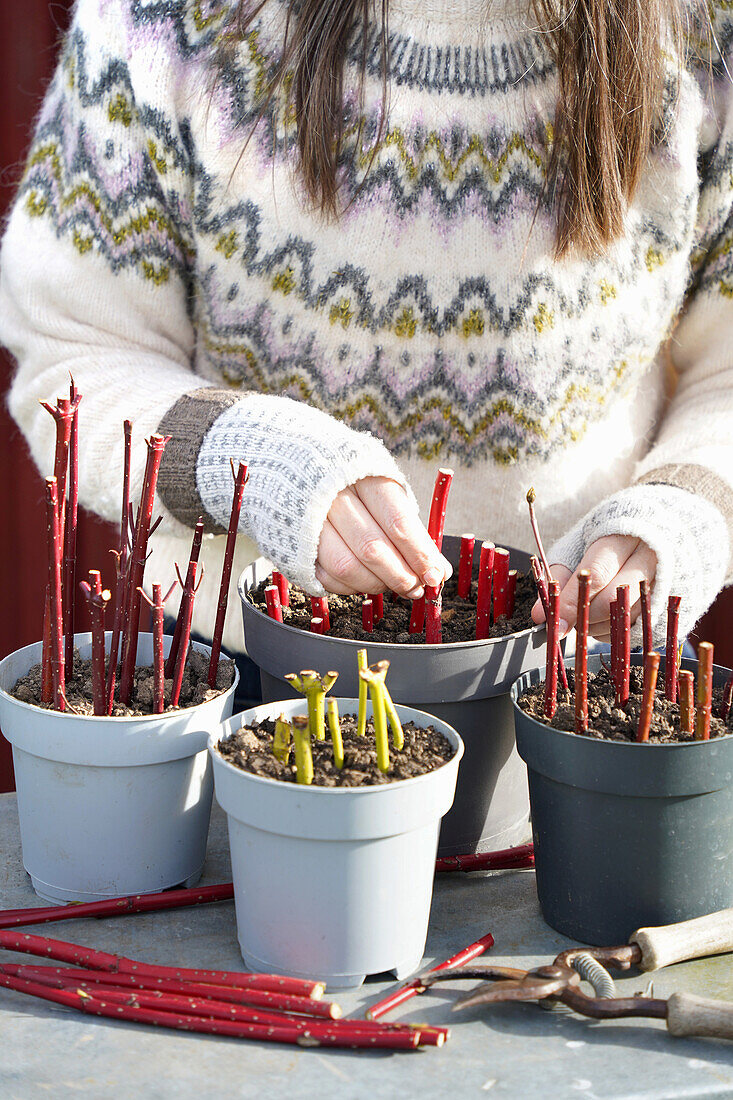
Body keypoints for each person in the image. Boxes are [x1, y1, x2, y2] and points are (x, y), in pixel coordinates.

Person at [1, 0, 731, 677]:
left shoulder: (703, 26)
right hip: (233, 665)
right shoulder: (165, 17)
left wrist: (686, 510)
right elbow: (76, 350)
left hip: (571, 681)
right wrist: (249, 459)